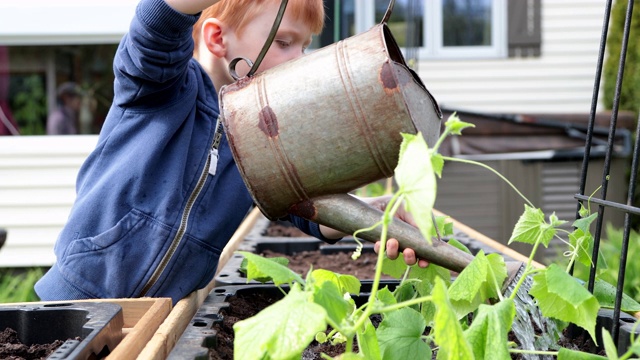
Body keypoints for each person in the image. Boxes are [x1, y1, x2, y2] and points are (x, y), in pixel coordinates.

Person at [35, 0, 425, 305]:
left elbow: (307, 211)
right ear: (218, 39)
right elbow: (157, 23)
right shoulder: (159, 89)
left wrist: (382, 212)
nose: (299, 60)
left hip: (168, 315)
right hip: (78, 301)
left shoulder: (267, 134)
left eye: (305, 46)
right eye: (284, 42)